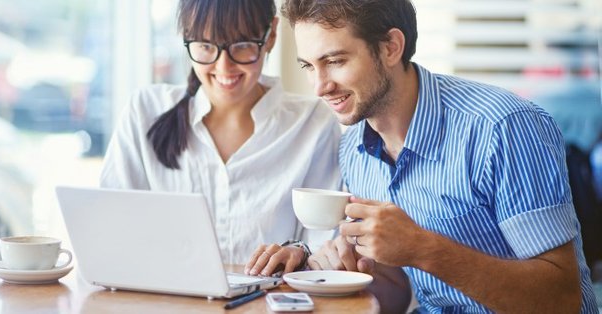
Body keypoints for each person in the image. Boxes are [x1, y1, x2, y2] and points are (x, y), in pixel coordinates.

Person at [246, 0, 598, 312]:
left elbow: (561, 299)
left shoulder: (502, 128)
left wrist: (424, 248)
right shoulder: (354, 149)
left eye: (335, 61)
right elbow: (402, 294)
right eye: (308, 66)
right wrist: (357, 273)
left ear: (391, 47)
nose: (320, 86)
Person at [100, 0, 341, 265]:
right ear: (186, 38)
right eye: (205, 46)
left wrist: (301, 253)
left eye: (241, 46)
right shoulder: (145, 112)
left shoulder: (313, 123)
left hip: (265, 304)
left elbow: (322, 243)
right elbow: (112, 227)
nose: (224, 68)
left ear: (270, 35)